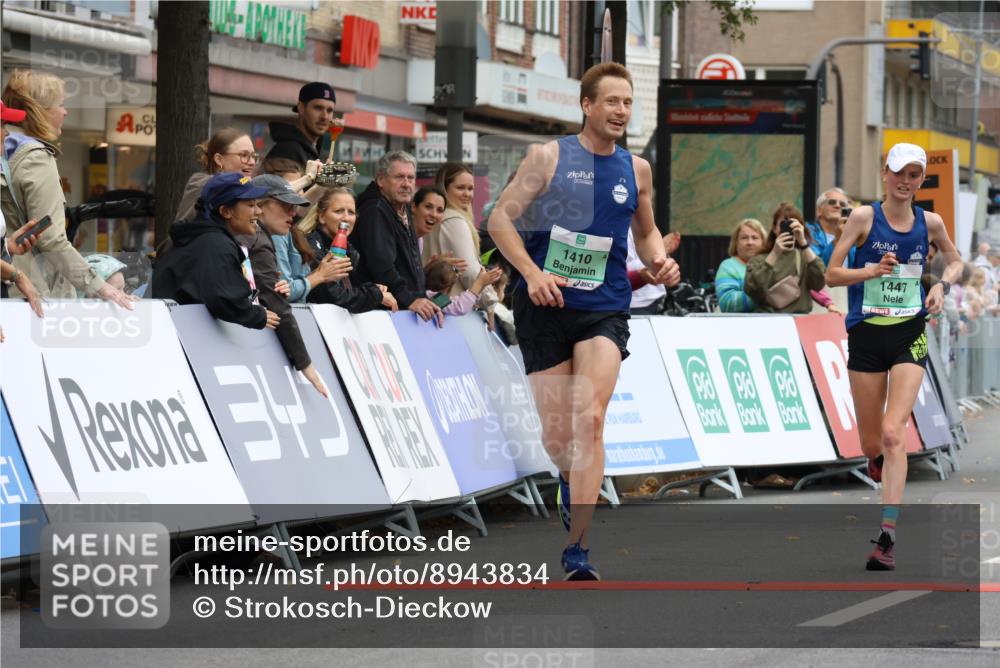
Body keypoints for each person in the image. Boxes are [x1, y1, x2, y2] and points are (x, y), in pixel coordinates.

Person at [487, 62, 680, 580]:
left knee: (590, 418)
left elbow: (646, 232)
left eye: (627, 102)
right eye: (612, 101)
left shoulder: (636, 169)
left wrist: (658, 260)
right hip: (544, 307)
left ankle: (578, 549)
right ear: (587, 105)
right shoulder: (547, 157)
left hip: (605, 306)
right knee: (559, 441)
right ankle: (571, 487)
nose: (621, 111)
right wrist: (530, 273)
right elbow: (499, 218)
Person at [826, 143, 962, 571]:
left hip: (909, 334)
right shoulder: (865, 217)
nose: (906, 182)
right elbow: (831, 273)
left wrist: (940, 285)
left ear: (922, 180)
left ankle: (887, 538)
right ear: (886, 173)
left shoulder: (931, 222)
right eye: (900, 173)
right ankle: (877, 458)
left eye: (915, 175)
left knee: (892, 431)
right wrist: (869, 271)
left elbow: (956, 261)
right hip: (866, 336)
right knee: (872, 443)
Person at [1, 70, 130, 308]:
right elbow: (51, 240)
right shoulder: (36, 158)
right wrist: (101, 287)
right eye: (61, 104)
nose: (65, 111)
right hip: (32, 295)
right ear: (38, 110)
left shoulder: (7, 151)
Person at [236, 174, 337, 395]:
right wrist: (306, 364)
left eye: (294, 207)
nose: (293, 213)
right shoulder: (256, 238)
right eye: (285, 205)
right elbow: (277, 301)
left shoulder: (263, 234)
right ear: (258, 205)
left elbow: (278, 292)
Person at [152, 173, 280, 331]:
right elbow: (224, 299)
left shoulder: (210, 239)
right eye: (251, 205)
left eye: (257, 204)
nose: (259, 211)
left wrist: (267, 287)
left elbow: (234, 293)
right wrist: (257, 315)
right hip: (178, 336)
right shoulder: (216, 244)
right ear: (226, 212)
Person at [352, 150, 441, 323]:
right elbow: (381, 265)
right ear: (381, 180)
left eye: (411, 178)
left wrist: (420, 296)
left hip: (402, 310)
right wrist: (409, 299)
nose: (407, 184)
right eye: (399, 177)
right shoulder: (375, 210)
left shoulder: (402, 206)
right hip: (380, 315)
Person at [298, 187, 398, 313]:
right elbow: (336, 298)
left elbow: (348, 293)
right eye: (339, 211)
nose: (346, 218)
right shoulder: (310, 246)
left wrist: (373, 289)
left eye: (351, 212)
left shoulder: (350, 251)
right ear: (322, 216)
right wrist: (376, 295)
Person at [422, 162, 500, 312]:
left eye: (470, 188)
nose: (467, 194)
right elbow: (470, 272)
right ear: (445, 188)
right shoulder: (454, 220)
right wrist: (491, 302)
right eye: (460, 188)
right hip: (454, 307)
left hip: (435, 305)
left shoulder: (435, 217)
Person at [745, 203, 827, 314]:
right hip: (767, 320)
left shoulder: (805, 258)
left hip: (798, 321)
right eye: (784, 224)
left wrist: (803, 243)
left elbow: (819, 283)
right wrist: (775, 253)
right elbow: (753, 290)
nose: (789, 229)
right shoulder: (758, 259)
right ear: (774, 228)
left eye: (794, 225)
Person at [173, 128, 259, 224]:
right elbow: (183, 230)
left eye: (253, 156)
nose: (252, 162)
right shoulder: (203, 186)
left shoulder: (240, 185)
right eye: (244, 155)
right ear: (219, 159)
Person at [265, 82, 340, 168]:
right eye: (318, 108)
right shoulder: (286, 151)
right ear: (301, 108)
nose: (325, 116)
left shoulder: (318, 152)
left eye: (329, 110)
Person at [715, 218, 767, 313]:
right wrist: (765, 296)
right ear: (736, 243)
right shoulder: (728, 266)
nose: (750, 242)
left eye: (755, 238)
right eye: (744, 238)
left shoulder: (770, 265)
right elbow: (727, 303)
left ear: (763, 243)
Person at [627, 229, 680, 315]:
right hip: (633, 304)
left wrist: (665, 262)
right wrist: (662, 249)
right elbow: (615, 271)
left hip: (652, 300)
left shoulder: (635, 222)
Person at [807, 187, 850, 265]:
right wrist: (837, 240)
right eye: (832, 202)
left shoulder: (853, 237)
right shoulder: (809, 233)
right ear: (819, 210)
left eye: (842, 204)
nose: (837, 206)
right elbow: (816, 269)